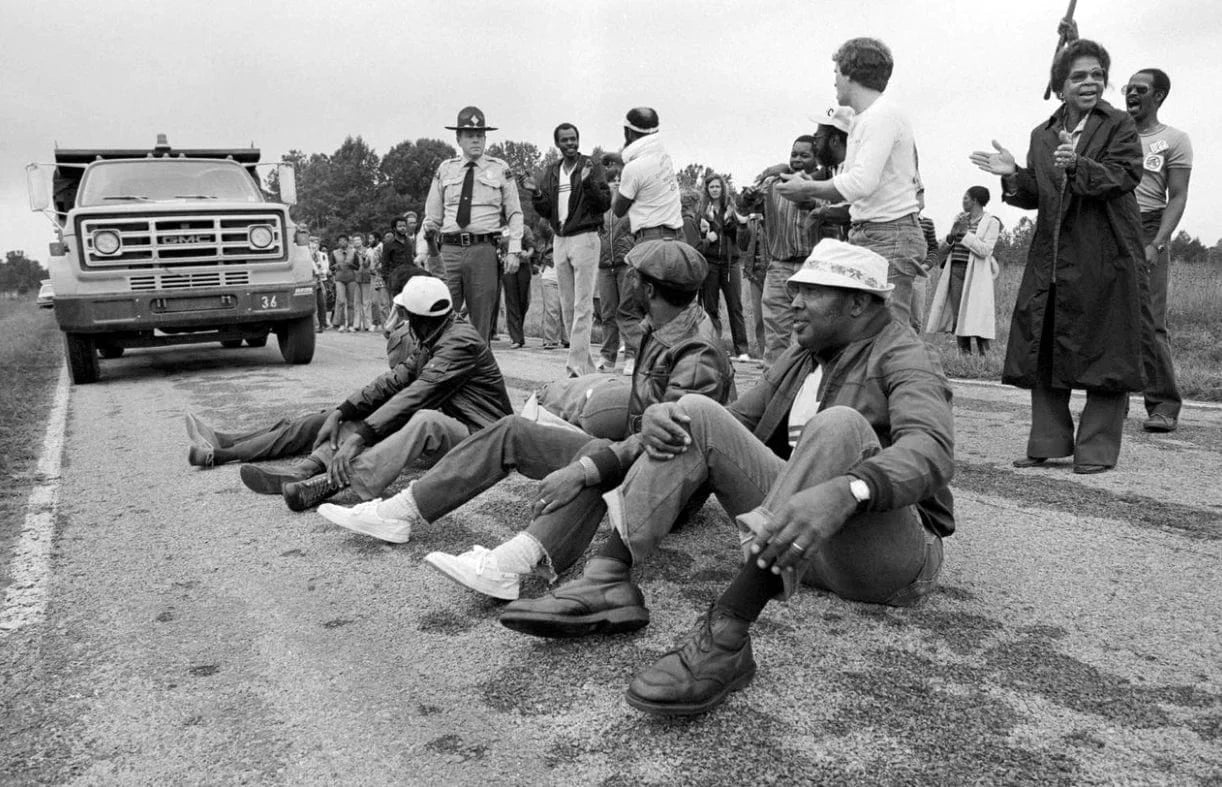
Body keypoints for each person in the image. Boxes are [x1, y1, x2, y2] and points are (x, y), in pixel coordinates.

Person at [496, 241, 954, 717]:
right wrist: (601, 462)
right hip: (801, 539)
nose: (793, 302)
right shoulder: (803, 357)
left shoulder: (906, 355)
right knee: (690, 411)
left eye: (811, 292)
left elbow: (931, 450)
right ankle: (606, 579)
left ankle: (727, 634)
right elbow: (721, 425)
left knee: (839, 425)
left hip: (887, 561)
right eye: (795, 290)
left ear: (858, 302)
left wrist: (850, 489)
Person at [316, 241, 736, 600]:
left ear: (647, 287)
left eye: (632, 274)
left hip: (666, 491)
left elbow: (669, 444)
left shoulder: (698, 354)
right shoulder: (663, 323)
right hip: (633, 457)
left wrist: (587, 468)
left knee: (590, 456)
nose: (624, 278)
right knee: (513, 429)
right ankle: (401, 512)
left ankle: (512, 566)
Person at [970, 37, 1143, 474]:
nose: (1090, 82)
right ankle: (1048, 442)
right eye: (1079, 76)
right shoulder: (1043, 134)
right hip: (1051, 257)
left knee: (1105, 351)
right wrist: (1014, 176)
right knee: (1044, 347)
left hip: (1104, 253)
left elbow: (1124, 176)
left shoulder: (1119, 124)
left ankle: (1097, 451)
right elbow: (1039, 196)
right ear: (1060, 85)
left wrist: (1076, 165)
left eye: (1097, 75)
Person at [237, 277, 513, 510]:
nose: (403, 321)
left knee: (424, 419)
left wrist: (361, 437)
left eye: (407, 315)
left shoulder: (459, 342)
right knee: (376, 415)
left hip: (489, 438)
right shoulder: (437, 336)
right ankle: (309, 468)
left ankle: (334, 483)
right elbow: (392, 383)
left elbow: (417, 394)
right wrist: (342, 411)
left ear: (417, 318)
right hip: (466, 432)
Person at [776, 39, 925, 328]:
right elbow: (857, 186)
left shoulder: (881, 117)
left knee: (891, 334)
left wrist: (807, 188)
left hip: (888, 234)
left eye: (836, 71)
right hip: (875, 232)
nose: (834, 80)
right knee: (867, 332)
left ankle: (917, 374)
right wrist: (813, 185)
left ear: (850, 73)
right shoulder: (865, 119)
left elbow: (860, 183)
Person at [1126, 68, 1192, 433]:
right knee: (1110, 320)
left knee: (1151, 323)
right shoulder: (1114, 133)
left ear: (1159, 96)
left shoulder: (1175, 139)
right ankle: (1110, 399)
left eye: (1141, 89)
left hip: (1150, 227)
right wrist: (1073, 45)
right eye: (1128, 88)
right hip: (1111, 226)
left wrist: (1157, 242)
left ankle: (1164, 404)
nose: (1132, 94)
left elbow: (1177, 196)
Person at [424, 106, 524, 343]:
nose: (476, 140)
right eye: (470, 135)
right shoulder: (445, 169)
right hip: (448, 250)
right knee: (440, 316)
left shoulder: (500, 169)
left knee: (481, 320)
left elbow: (515, 213)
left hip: (483, 250)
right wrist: (424, 251)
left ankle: (478, 376)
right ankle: (442, 373)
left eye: (480, 135)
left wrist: (514, 250)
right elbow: (432, 217)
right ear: (458, 138)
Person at [524, 123, 612, 376]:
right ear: (558, 144)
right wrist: (537, 192)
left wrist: (587, 184)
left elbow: (604, 203)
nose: (571, 143)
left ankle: (574, 367)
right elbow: (546, 210)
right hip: (560, 239)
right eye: (565, 140)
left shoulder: (590, 167)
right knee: (567, 306)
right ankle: (586, 367)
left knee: (583, 305)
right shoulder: (552, 171)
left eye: (574, 139)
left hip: (585, 237)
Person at [747, 135, 820, 368]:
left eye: (804, 155)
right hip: (780, 266)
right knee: (775, 332)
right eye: (794, 154)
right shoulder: (774, 183)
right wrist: (768, 172)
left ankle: (805, 383)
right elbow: (746, 201)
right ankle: (772, 386)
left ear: (816, 159)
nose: (797, 160)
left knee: (813, 332)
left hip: (813, 267)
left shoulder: (825, 185)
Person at [925, 186, 1000, 354]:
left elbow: (985, 250)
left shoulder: (991, 222)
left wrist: (965, 234)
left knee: (977, 315)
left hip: (976, 274)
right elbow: (942, 249)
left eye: (966, 198)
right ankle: (964, 355)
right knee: (958, 314)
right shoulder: (960, 219)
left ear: (975, 201)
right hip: (956, 270)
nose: (963, 201)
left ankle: (984, 355)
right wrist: (953, 233)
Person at [596, 152, 641, 375]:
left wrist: (632, 254)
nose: (614, 183)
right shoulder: (600, 207)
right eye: (610, 179)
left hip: (625, 263)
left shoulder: (631, 205)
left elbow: (638, 233)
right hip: (604, 265)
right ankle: (607, 356)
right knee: (607, 313)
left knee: (628, 310)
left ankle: (632, 355)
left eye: (618, 179)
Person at [698, 174, 750, 360]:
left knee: (735, 306)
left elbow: (743, 236)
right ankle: (714, 346)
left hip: (731, 262)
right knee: (710, 307)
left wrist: (734, 229)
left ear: (723, 189)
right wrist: (706, 229)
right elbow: (697, 238)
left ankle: (742, 349)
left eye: (717, 187)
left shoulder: (732, 209)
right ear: (707, 190)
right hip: (710, 262)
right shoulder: (703, 211)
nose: (714, 190)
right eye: (711, 187)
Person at [614, 107, 683, 242]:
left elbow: (618, 210)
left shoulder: (632, 169)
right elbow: (637, 158)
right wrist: (611, 157)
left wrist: (616, 185)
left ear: (628, 132)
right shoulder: (662, 153)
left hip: (651, 239)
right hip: (677, 235)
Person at [500, 223, 535, 349]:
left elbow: (531, 247)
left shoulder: (525, 228)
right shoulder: (503, 230)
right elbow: (498, 247)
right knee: (511, 300)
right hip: (507, 268)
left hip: (523, 266)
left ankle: (517, 331)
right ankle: (516, 337)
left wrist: (528, 254)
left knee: (523, 301)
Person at [329, 235, 359, 331]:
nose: (342, 242)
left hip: (351, 278)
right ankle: (341, 324)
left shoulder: (353, 252)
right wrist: (336, 266)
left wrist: (351, 265)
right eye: (340, 241)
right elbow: (330, 267)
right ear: (338, 243)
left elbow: (357, 267)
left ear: (347, 242)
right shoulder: (334, 253)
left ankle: (350, 325)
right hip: (339, 279)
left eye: (344, 241)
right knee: (341, 301)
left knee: (351, 303)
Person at [351, 232, 373, 332]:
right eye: (354, 240)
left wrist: (364, 259)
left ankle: (368, 324)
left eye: (358, 240)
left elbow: (367, 265)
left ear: (362, 241)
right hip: (355, 278)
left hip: (365, 277)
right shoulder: (351, 252)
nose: (356, 242)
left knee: (366, 302)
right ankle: (356, 324)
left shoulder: (366, 250)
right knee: (356, 302)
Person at [308, 235, 329, 333]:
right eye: (312, 243)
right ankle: (316, 325)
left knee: (322, 303)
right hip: (311, 280)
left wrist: (323, 271)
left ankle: (322, 323)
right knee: (314, 304)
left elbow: (325, 267)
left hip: (320, 281)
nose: (314, 245)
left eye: (316, 243)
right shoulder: (306, 255)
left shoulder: (322, 255)